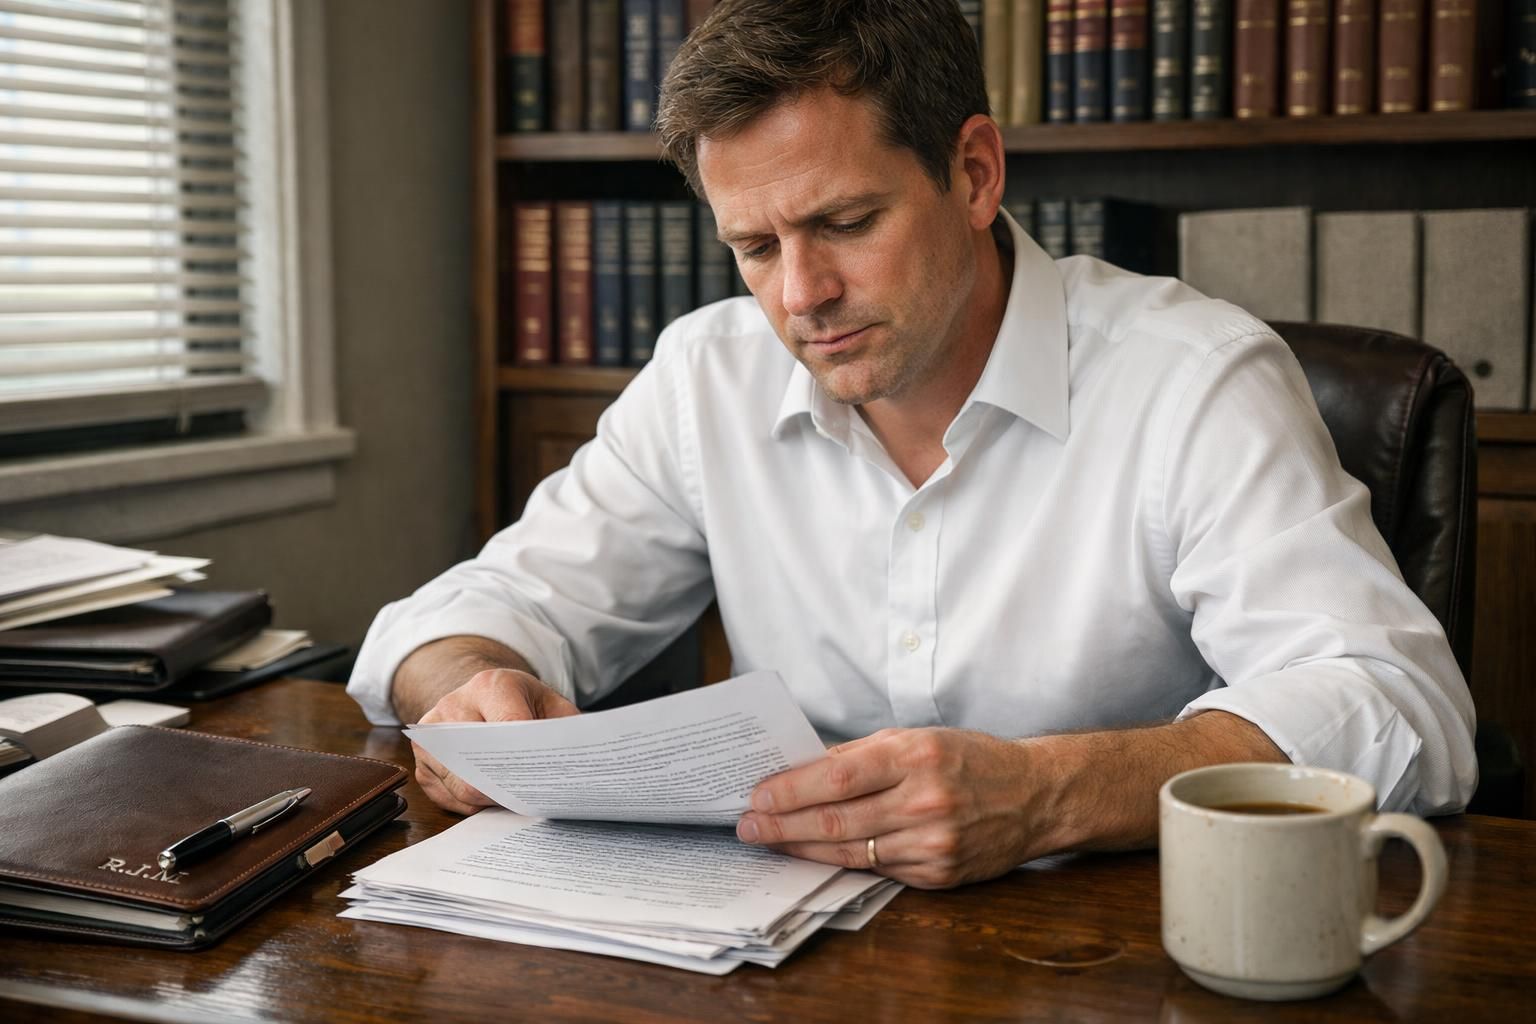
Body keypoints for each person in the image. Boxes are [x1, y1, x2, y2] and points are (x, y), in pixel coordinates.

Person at [348, 0, 1475, 889]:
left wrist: (1049, 792)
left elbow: (1399, 704)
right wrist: (465, 688)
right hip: (775, 947)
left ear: (975, 172)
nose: (802, 296)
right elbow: (471, 614)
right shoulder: (710, 374)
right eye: (753, 245)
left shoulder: (1192, 379)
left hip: (1112, 951)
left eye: (846, 223)